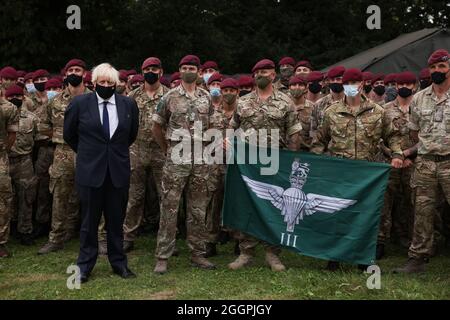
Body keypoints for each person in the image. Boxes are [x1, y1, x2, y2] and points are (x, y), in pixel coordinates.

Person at [310, 68, 404, 271]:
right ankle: (334, 257)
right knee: (338, 214)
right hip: (340, 172)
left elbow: (392, 136)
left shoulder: (377, 112)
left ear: (362, 84)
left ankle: (363, 258)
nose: (351, 87)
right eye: (348, 83)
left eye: (355, 83)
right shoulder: (332, 112)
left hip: (367, 173)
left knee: (366, 215)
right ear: (343, 85)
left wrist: (397, 155)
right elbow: (320, 140)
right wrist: (318, 163)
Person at [64, 62, 139, 283]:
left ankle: (119, 264)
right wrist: (89, 153)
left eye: (110, 83)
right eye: (102, 82)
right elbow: (70, 135)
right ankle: (85, 266)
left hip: (117, 171)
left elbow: (130, 135)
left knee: (116, 221)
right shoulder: (79, 104)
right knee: (89, 222)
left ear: (116, 84)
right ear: (94, 83)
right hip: (90, 172)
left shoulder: (128, 105)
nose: (106, 86)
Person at [228, 59, 302, 272]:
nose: (261, 75)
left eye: (266, 71)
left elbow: (294, 132)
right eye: (258, 72)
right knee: (248, 206)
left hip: (276, 162)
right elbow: (233, 129)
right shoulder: (243, 102)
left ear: (273, 75)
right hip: (248, 164)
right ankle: (246, 252)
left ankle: (272, 253)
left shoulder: (285, 101)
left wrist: (291, 160)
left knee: (274, 207)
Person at [152, 54, 216, 274]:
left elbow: (212, 126)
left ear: (199, 72)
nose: (189, 70)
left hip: (200, 159)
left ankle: (198, 254)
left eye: (192, 67)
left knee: (198, 209)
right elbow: (156, 127)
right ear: (179, 71)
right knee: (169, 208)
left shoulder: (206, 98)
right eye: (185, 67)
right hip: (176, 159)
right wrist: (167, 149)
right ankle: (162, 256)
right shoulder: (169, 97)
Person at [394, 49, 450, 274]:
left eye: (442, 67)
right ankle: (417, 258)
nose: (437, 71)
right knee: (422, 211)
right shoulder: (419, 98)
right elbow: (416, 133)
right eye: (434, 68)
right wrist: (407, 153)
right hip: (425, 163)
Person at [38, 59, 89, 255]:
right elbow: (44, 125)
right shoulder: (55, 101)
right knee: (59, 195)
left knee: (92, 194)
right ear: (65, 74)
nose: (74, 73)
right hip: (63, 153)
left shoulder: (93, 98)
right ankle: (56, 238)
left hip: (87, 152)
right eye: (71, 70)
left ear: (84, 74)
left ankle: (96, 237)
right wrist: (60, 137)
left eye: (78, 70)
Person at [122, 57, 169, 252]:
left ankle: (167, 239)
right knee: (134, 196)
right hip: (137, 149)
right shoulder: (132, 97)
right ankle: (128, 236)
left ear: (161, 72)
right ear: (142, 73)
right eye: (147, 69)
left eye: (154, 68)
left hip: (162, 150)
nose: (151, 71)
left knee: (165, 196)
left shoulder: (169, 95)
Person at [377, 71, 418, 258]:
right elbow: (380, 139)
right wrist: (393, 155)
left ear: (414, 86)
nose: (404, 87)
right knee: (385, 203)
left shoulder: (419, 108)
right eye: (400, 84)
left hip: (414, 163)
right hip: (389, 163)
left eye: (408, 84)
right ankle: (380, 241)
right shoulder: (384, 110)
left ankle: (412, 242)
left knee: (413, 204)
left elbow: (426, 136)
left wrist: (407, 155)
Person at [5, 85, 39, 246]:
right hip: (4, 160)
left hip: (24, 161)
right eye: (11, 96)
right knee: (5, 199)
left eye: (18, 96)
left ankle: (25, 230)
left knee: (26, 197)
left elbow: (39, 137)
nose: (15, 99)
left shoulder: (32, 118)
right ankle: (7, 230)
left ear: (24, 97)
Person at [0, 90, 19, 258]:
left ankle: (1, 242)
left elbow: (12, 135)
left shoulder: (8, 108)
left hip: (0, 159)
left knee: (4, 199)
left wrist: (3, 152)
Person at [311, 66, 346, 138]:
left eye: (338, 79)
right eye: (332, 80)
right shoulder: (319, 104)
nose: (335, 82)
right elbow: (314, 130)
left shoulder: (352, 101)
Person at [288, 75, 314, 151]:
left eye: (301, 85)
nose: (297, 87)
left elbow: (317, 134)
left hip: (307, 152)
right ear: (289, 88)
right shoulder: (283, 106)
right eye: (293, 85)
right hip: (285, 151)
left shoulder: (313, 108)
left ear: (306, 88)